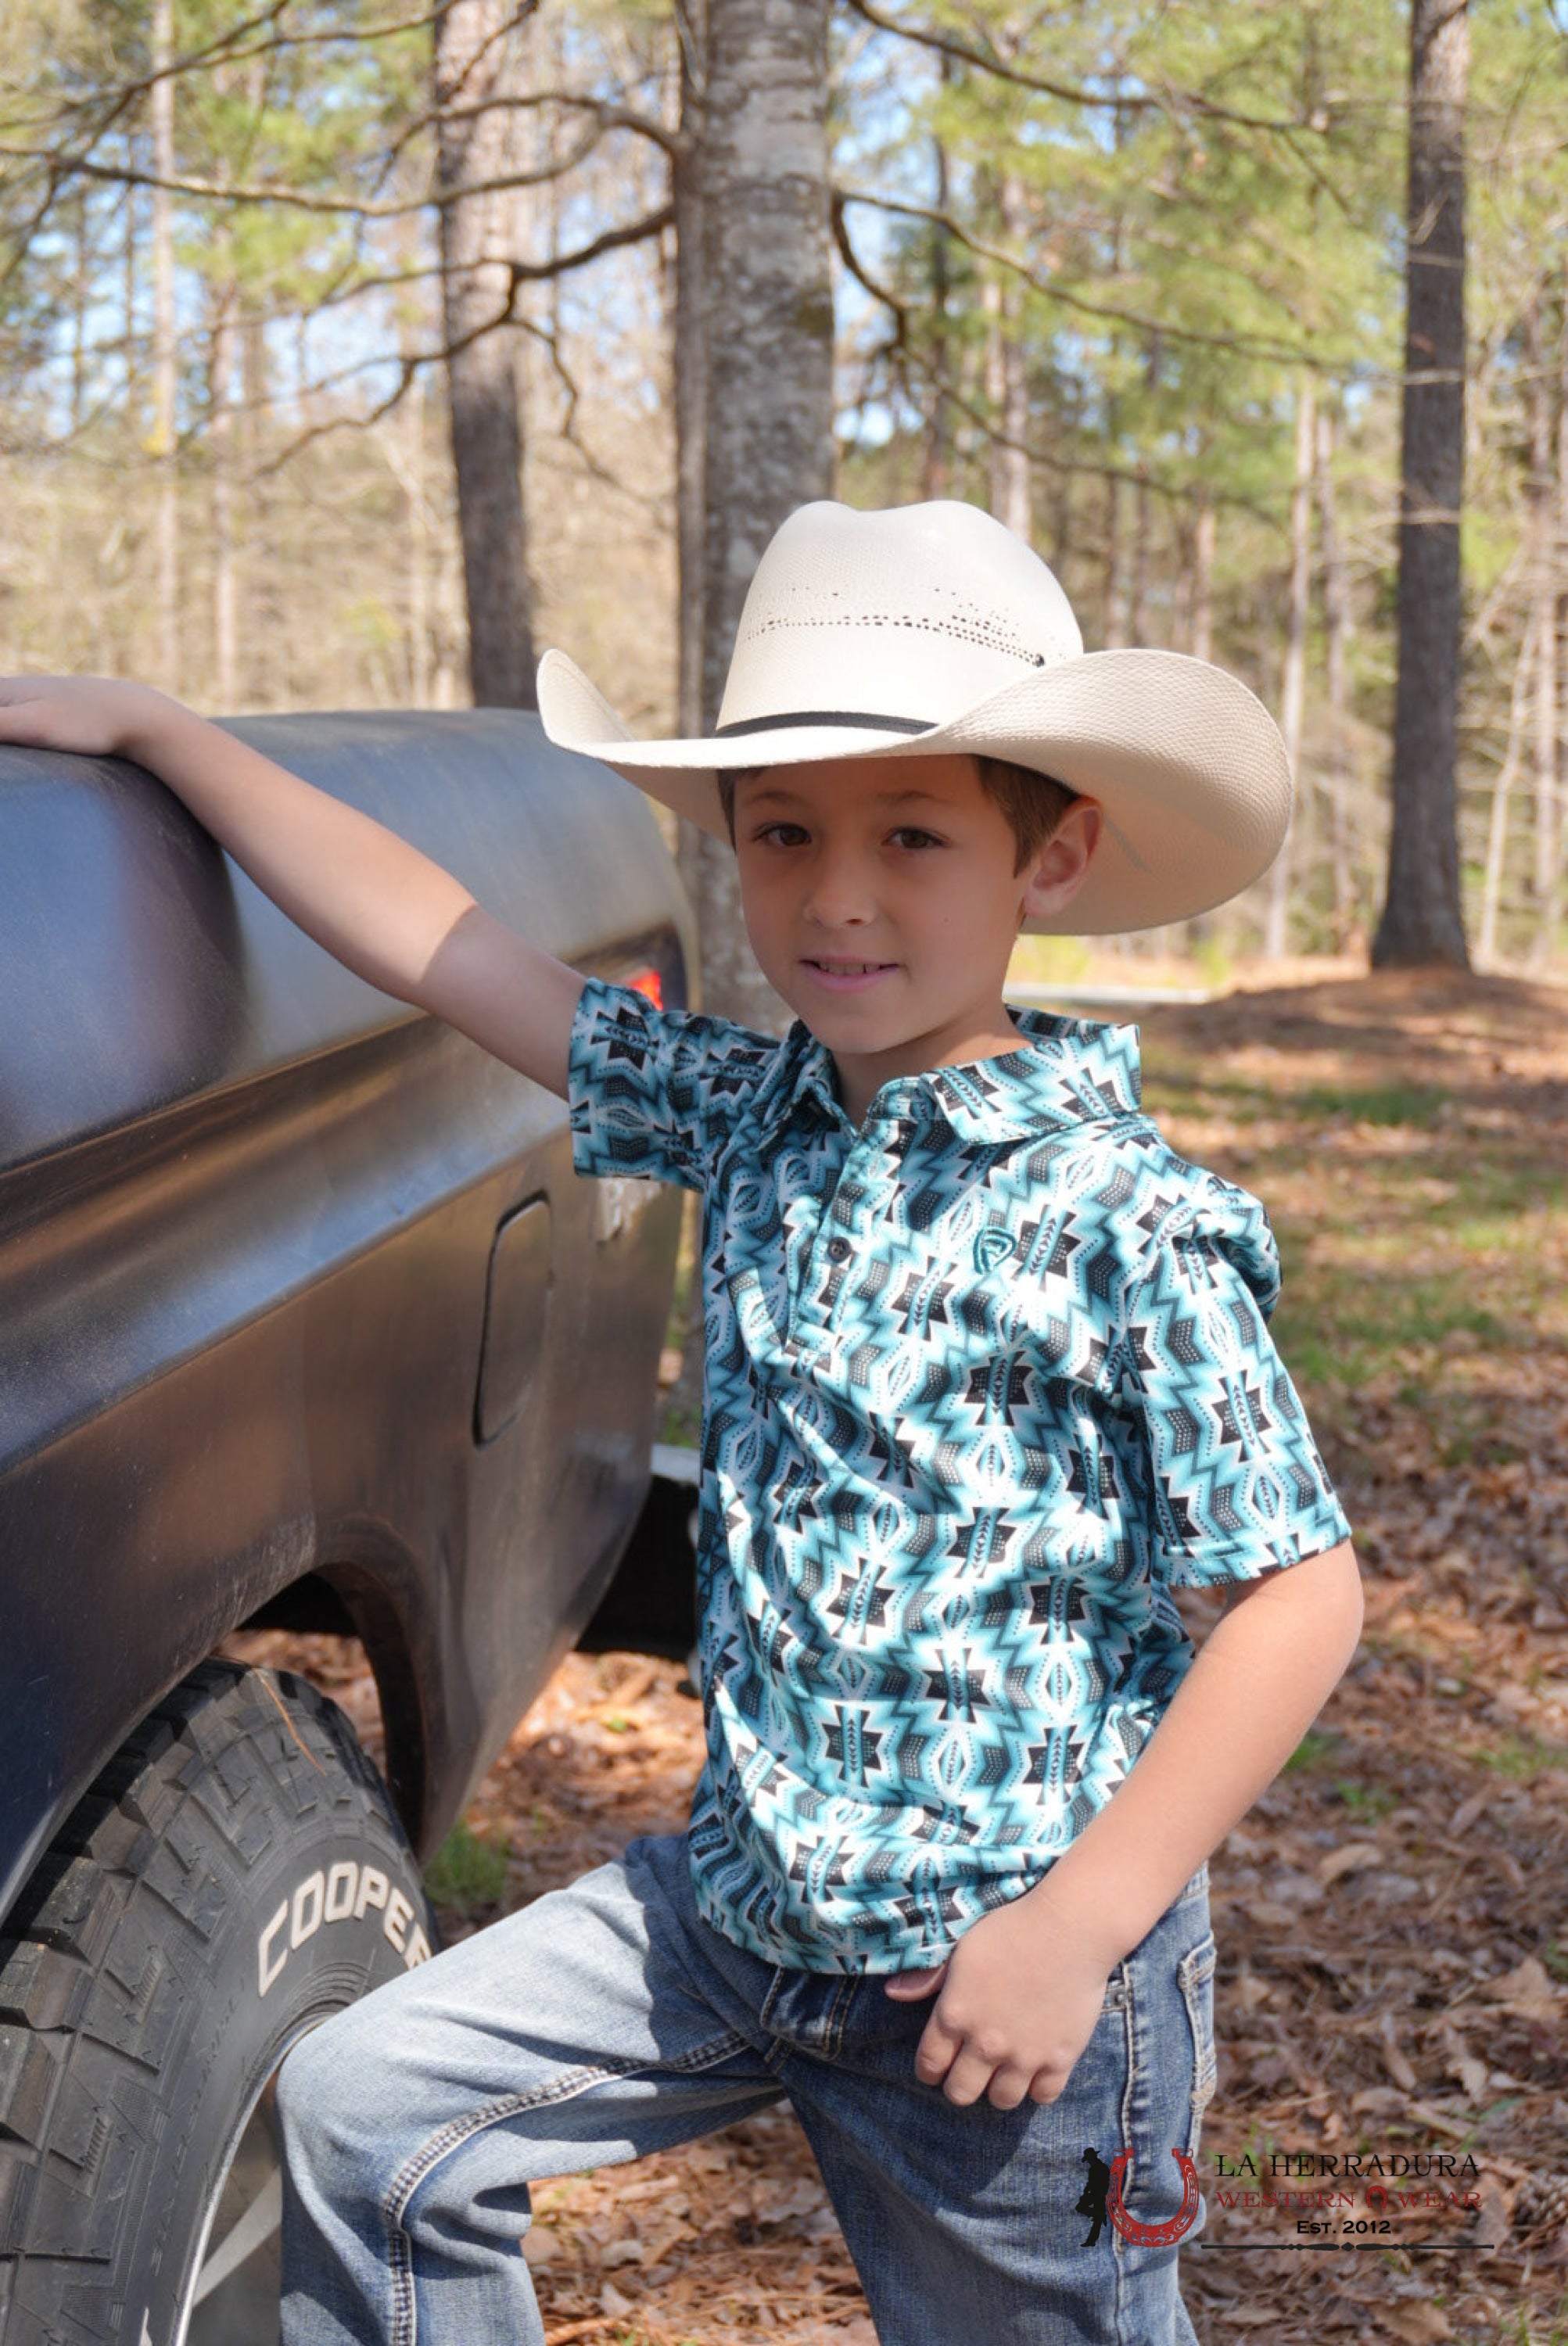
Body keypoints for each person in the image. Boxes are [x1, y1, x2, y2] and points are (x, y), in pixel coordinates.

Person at [0, 498, 1362, 2346]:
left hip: (994, 1986)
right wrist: (168, 738)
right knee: (371, 2113)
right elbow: (438, 942)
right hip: (734, 1919)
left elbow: (1298, 1598)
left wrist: (1073, 1931)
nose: (837, 895)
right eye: (784, 834)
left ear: (1050, 855)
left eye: (911, 835)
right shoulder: (748, 1110)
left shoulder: (1120, 1218)